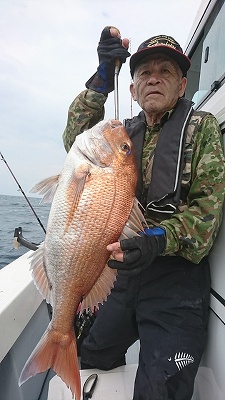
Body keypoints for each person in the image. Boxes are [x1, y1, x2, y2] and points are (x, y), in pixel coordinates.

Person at [62, 27, 225, 400]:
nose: (154, 77)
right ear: (132, 89)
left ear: (182, 86)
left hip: (176, 282)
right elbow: (74, 142)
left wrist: (156, 240)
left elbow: (206, 215)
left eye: (165, 71)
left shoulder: (201, 129)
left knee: (159, 390)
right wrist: (102, 81)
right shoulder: (117, 135)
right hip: (123, 276)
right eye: (144, 72)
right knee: (92, 354)